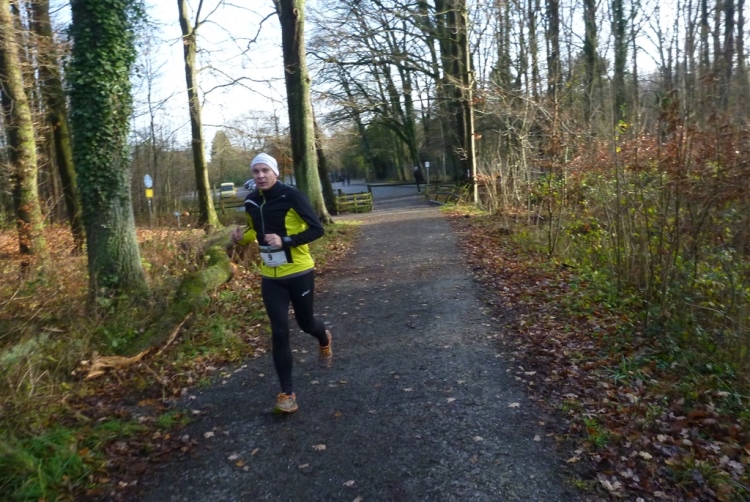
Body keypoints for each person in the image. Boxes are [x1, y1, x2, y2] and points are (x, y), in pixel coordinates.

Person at [231, 152, 332, 414]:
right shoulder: (252, 201)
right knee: (279, 331)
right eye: (256, 171)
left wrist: (285, 241)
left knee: (306, 323)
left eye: (265, 170)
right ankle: (287, 394)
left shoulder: (291, 196)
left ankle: (324, 337)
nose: (260, 176)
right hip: (271, 277)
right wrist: (241, 238)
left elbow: (317, 229)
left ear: (275, 172)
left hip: (299, 272)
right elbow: (256, 231)